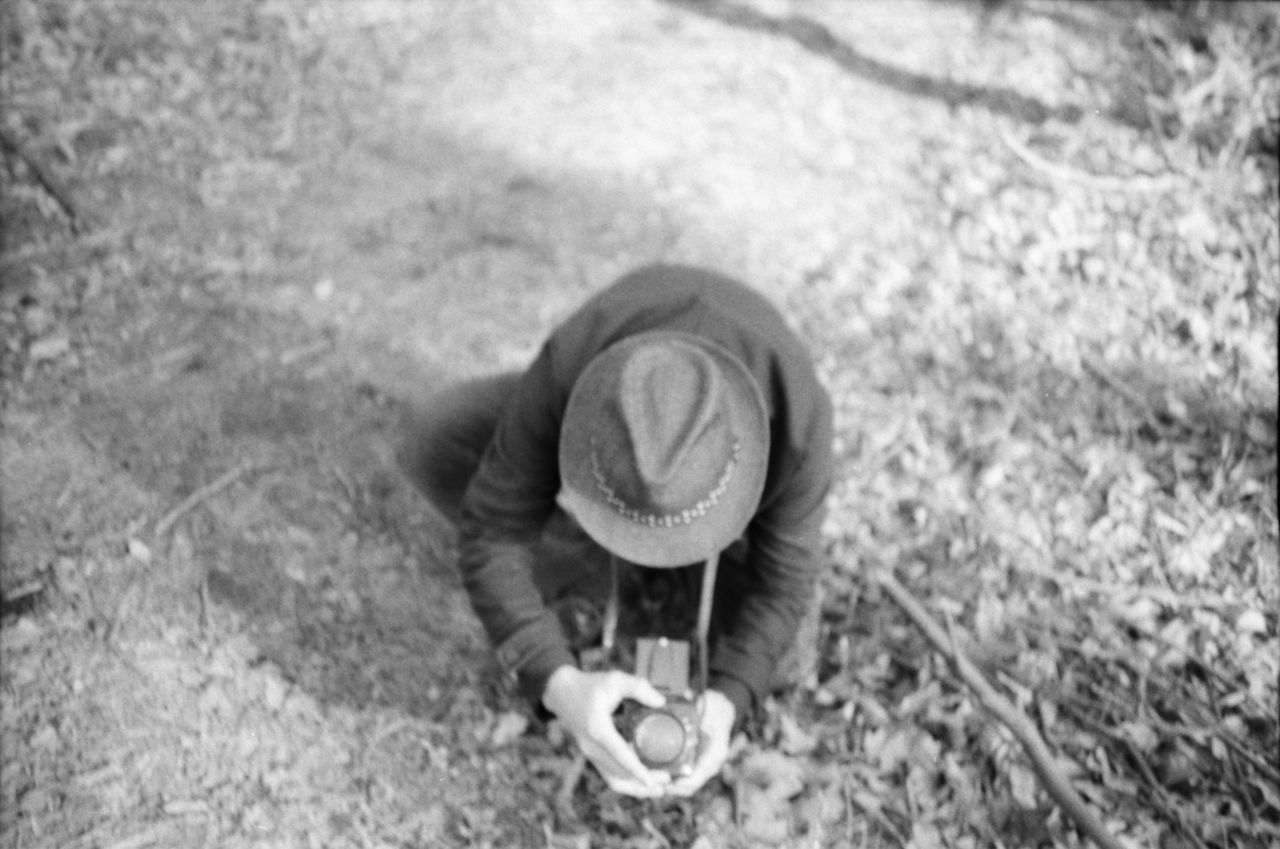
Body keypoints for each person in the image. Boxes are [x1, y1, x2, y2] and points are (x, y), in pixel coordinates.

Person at [399, 264, 833, 798]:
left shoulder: (798, 421)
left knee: (784, 658)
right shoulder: (570, 368)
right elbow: (493, 531)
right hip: (602, 424)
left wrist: (726, 702)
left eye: (671, 529)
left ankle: (661, 579)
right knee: (434, 440)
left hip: (732, 537)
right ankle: (604, 566)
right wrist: (557, 683)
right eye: (640, 529)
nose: (659, 540)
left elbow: (782, 586)